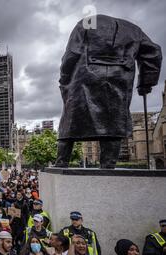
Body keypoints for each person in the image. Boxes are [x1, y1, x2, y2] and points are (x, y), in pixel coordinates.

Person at [54, 14, 162, 169]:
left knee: (70, 121)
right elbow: (154, 53)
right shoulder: (134, 30)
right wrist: (146, 82)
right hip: (120, 78)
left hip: (85, 76)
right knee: (113, 123)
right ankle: (108, 164)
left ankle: (62, 161)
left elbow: (71, 53)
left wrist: (64, 78)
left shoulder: (87, 22)